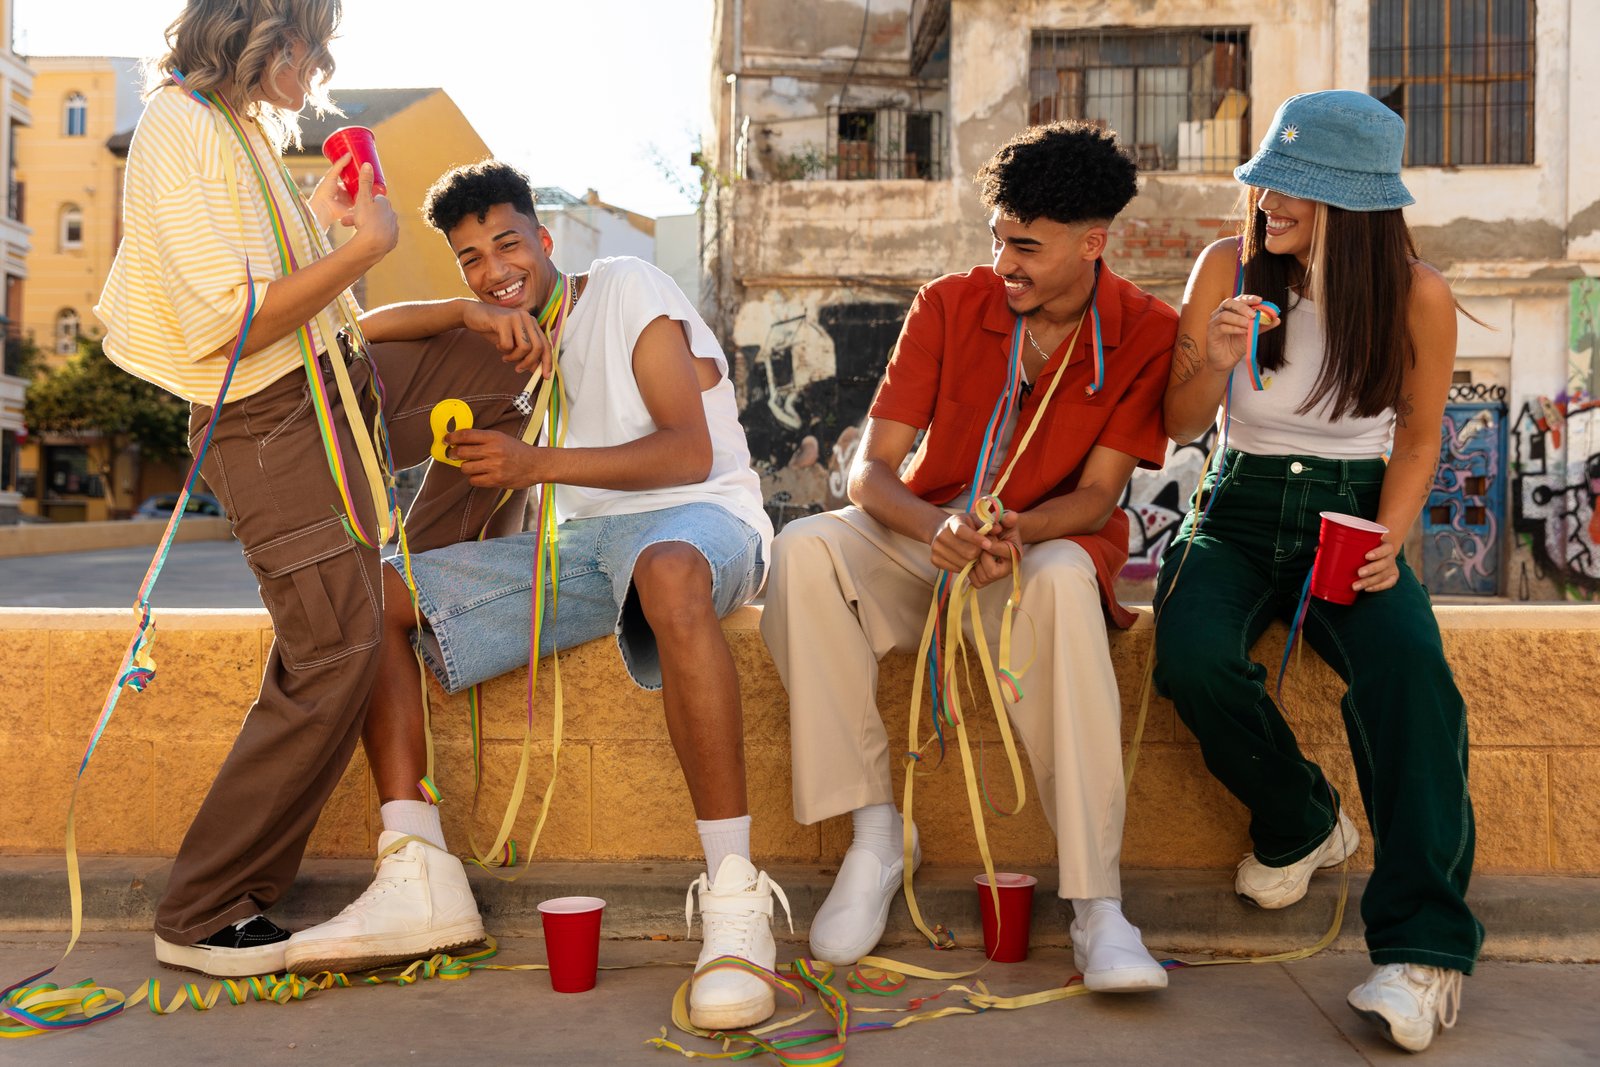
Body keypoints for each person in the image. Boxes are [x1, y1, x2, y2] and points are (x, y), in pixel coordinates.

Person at [96, 0, 548, 978]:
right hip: (264, 420)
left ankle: (431, 585)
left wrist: (329, 225)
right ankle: (206, 905)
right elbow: (232, 323)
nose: (324, 67)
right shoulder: (179, 128)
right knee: (334, 647)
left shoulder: (240, 131)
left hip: (331, 389)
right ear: (266, 35)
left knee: (491, 361)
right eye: (315, 46)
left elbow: (303, 292)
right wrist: (363, 246)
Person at [280, 159, 784, 1032]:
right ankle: (416, 867)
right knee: (374, 593)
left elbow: (686, 455)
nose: (495, 268)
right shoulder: (504, 330)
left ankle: (735, 899)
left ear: (545, 239)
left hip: (702, 523)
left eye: (507, 244)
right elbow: (369, 329)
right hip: (585, 550)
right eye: (471, 258)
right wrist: (467, 312)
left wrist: (534, 462)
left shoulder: (627, 287)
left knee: (665, 567)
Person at [761, 122, 1175, 992]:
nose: (1004, 262)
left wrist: (1014, 532)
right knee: (802, 549)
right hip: (924, 545)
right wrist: (933, 528)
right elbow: (868, 471)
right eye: (997, 238)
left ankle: (1099, 906)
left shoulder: (1144, 329)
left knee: (1065, 578)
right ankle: (879, 837)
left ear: (1092, 243)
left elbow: (1099, 498)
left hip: (1034, 559)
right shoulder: (949, 302)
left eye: (1026, 246)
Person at [1153, 90, 1482, 1053]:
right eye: (1264, 182)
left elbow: (1419, 437)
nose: (1267, 203)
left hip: (1354, 506)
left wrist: (1392, 535)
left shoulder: (1417, 294)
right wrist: (1212, 358)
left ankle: (1423, 957)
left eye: (1293, 188)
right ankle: (1303, 818)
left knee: (1413, 681)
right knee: (1192, 656)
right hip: (1239, 505)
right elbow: (1177, 424)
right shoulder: (1225, 265)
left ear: (1354, 201)